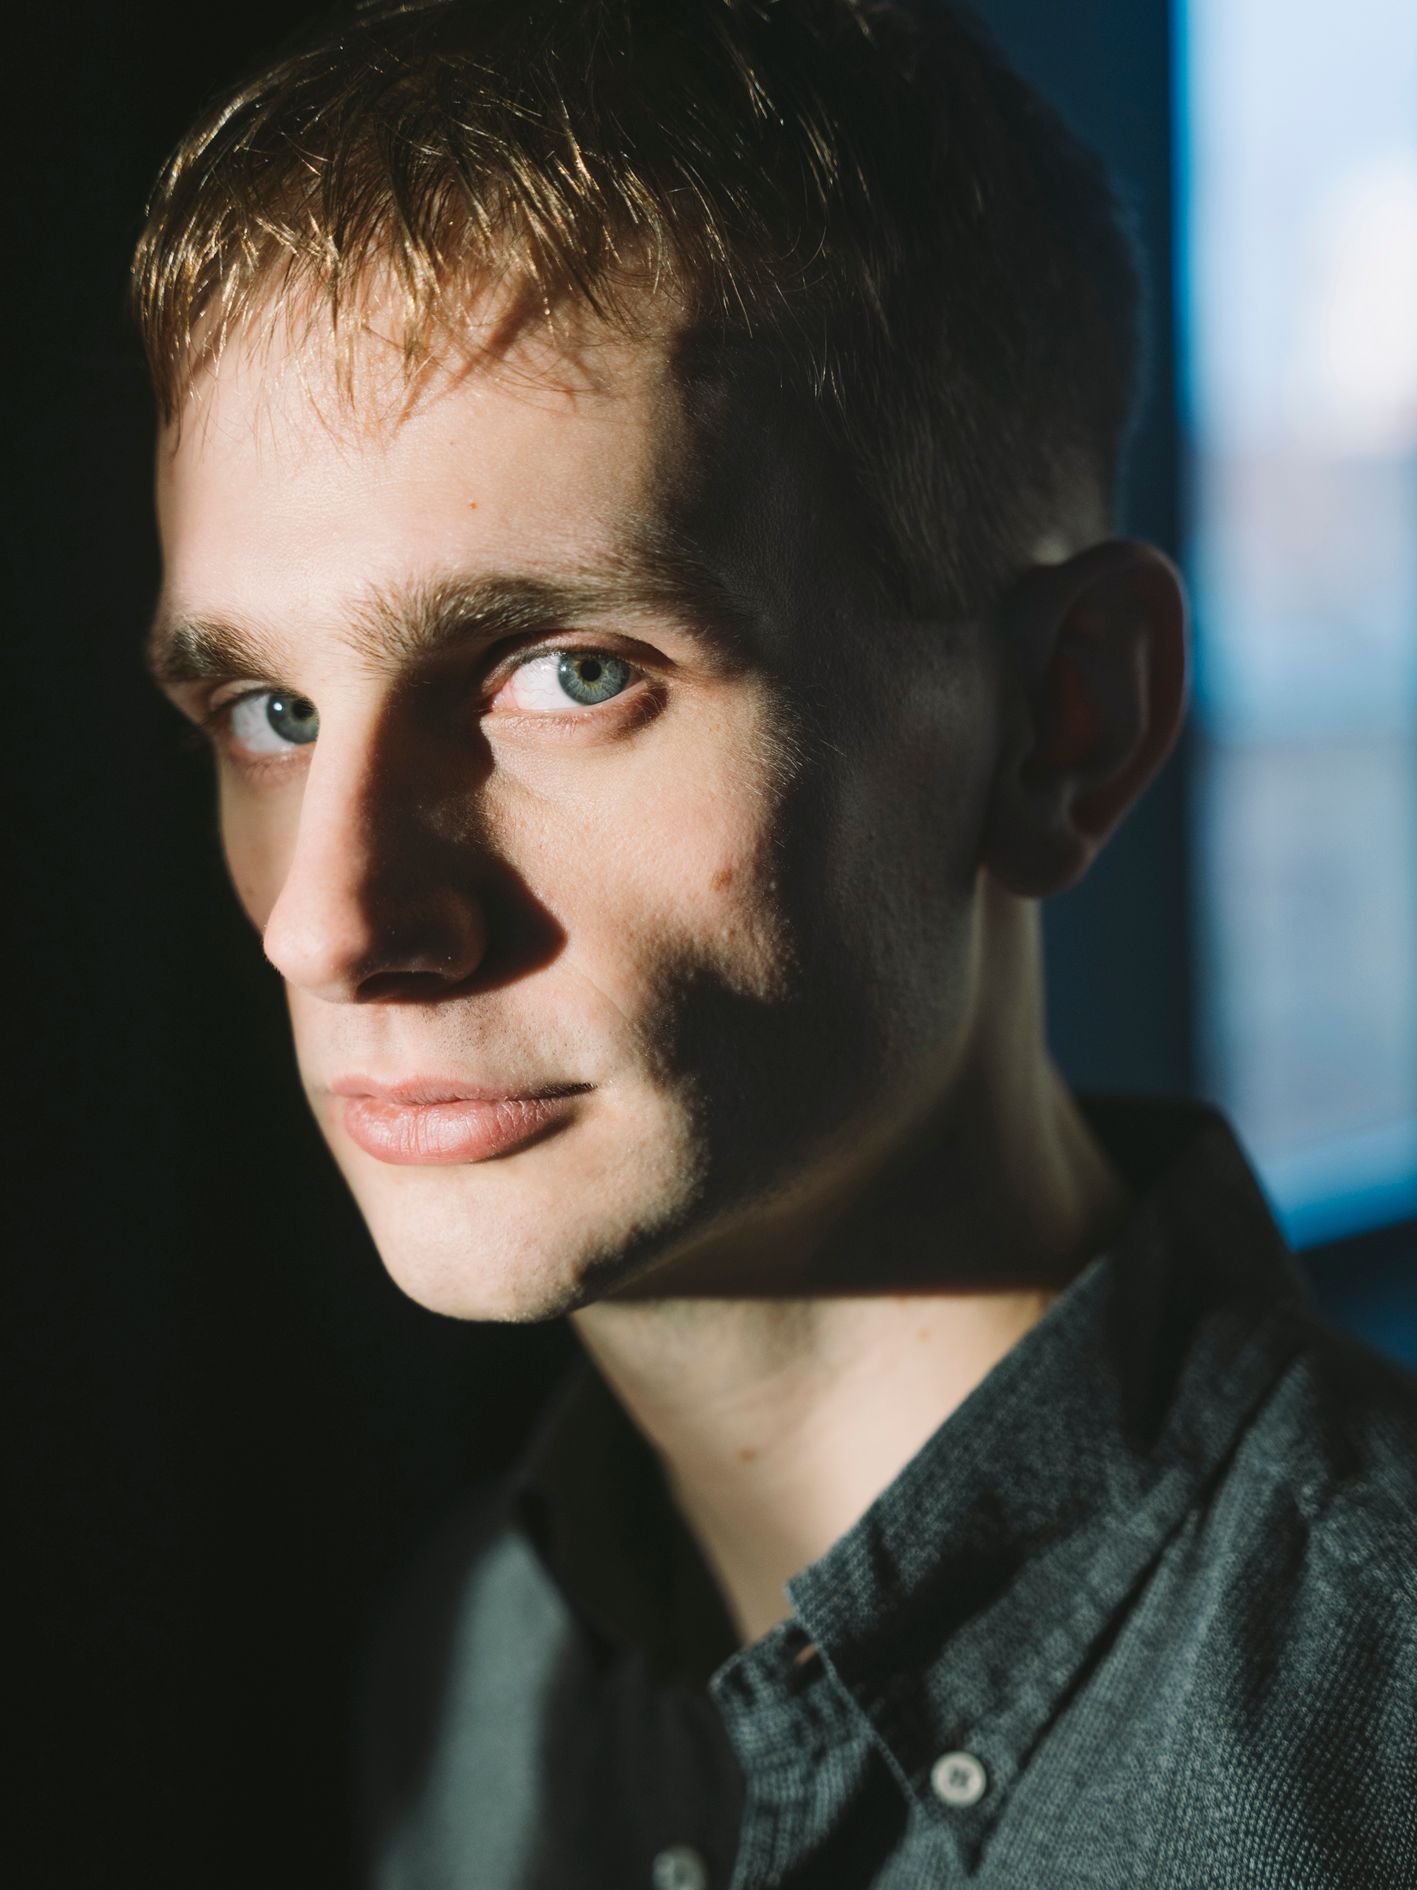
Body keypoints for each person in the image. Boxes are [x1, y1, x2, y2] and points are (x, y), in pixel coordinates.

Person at [133, 1, 1416, 1884]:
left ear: (1064, 723)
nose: (329, 923)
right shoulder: (472, 1679)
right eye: (267, 710)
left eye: (571, 673)